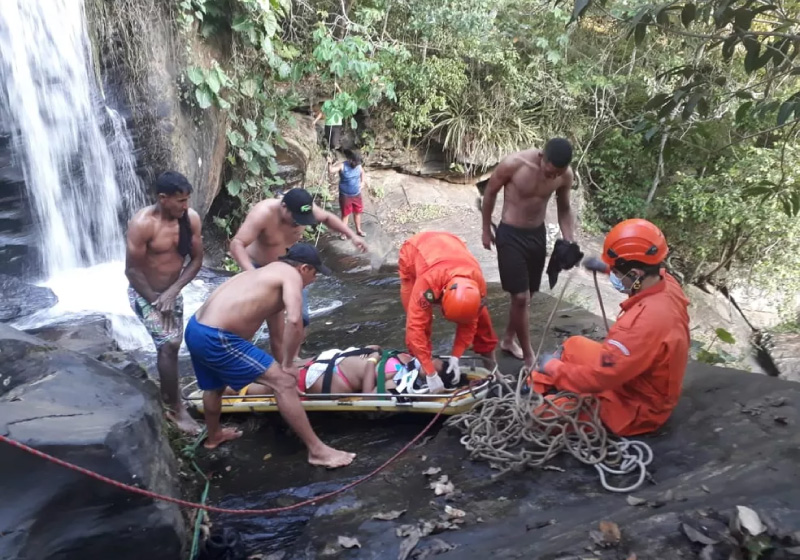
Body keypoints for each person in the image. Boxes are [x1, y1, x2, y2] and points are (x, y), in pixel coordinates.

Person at [184, 243, 356, 467]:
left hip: (196, 328)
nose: (314, 280)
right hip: (217, 337)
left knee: (215, 387)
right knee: (283, 383)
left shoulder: (266, 275)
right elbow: (295, 321)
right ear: (304, 268)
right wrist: (286, 373)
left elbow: (277, 337)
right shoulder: (291, 277)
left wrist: (286, 363)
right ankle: (318, 451)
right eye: (315, 274)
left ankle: (214, 436)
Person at [529, 219, 691, 436]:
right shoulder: (666, 283)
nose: (615, 277)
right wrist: (604, 268)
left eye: (617, 272)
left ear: (635, 274)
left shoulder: (642, 324)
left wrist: (553, 368)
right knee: (574, 345)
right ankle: (537, 385)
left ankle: (546, 388)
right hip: (634, 374)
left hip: (636, 403)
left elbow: (601, 378)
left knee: (542, 414)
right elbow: (635, 276)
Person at [229, 188, 367, 355]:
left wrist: (352, 236)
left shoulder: (304, 208)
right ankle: (241, 363)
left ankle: (292, 360)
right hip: (258, 268)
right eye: (295, 219)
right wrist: (252, 274)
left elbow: (328, 218)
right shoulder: (263, 213)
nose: (298, 223)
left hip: (288, 267)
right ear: (284, 206)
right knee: (255, 322)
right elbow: (237, 244)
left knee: (300, 319)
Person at [481, 138, 578, 370]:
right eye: (551, 171)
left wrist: (569, 239)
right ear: (541, 157)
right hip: (510, 235)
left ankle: (508, 340)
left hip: (537, 235)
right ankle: (527, 354)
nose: (553, 176)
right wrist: (486, 228)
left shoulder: (565, 176)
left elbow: (564, 207)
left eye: (559, 173)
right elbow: (490, 192)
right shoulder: (514, 164)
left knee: (529, 294)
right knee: (521, 297)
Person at [125, 171, 203, 434]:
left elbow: (196, 260)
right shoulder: (142, 224)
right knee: (168, 344)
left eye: (187, 199)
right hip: (143, 292)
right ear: (163, 198)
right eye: (180, 200)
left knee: (172, 344)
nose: (186, 205)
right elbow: (132, 271)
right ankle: (175, 409)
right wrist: (156, 301)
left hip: (172, 291)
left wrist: (173, 291)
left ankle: (171, 397)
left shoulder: (189, 219)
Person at [398, 231, 498, 394]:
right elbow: (414, 328)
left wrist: (456, 356)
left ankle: (493, 370)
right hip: (414, 252)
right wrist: (430, 372)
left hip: (450, 245)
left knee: (483, 321)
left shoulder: (477, 283)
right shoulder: (428, 287)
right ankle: (423, 369)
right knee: (419, 320)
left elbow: (470, 322)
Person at [225, 348, 455, 397]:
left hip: (332, 379)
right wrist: (373, 352)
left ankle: (223, 390)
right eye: (435, 359)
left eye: (435, 366)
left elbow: (369, 397)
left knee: (266, 386)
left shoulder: (403, 380)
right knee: (276, 370)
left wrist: (369, 363)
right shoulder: (408, 359)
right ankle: (228, 380)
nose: (432, 361)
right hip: (332, 360)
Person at [327, 149, 367, 238]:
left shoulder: (359, 166)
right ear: (350, 160)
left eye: (357, 163)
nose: (356, 164)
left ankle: (359, 230)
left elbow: (362, 172)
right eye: (355, 162)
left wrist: (363, 182)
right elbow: (331, 170)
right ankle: (343, 233)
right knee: (345, 214)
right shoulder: (342, 165)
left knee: (357, 212)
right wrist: (329, 163)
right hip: (345, 195)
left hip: (356, 194)